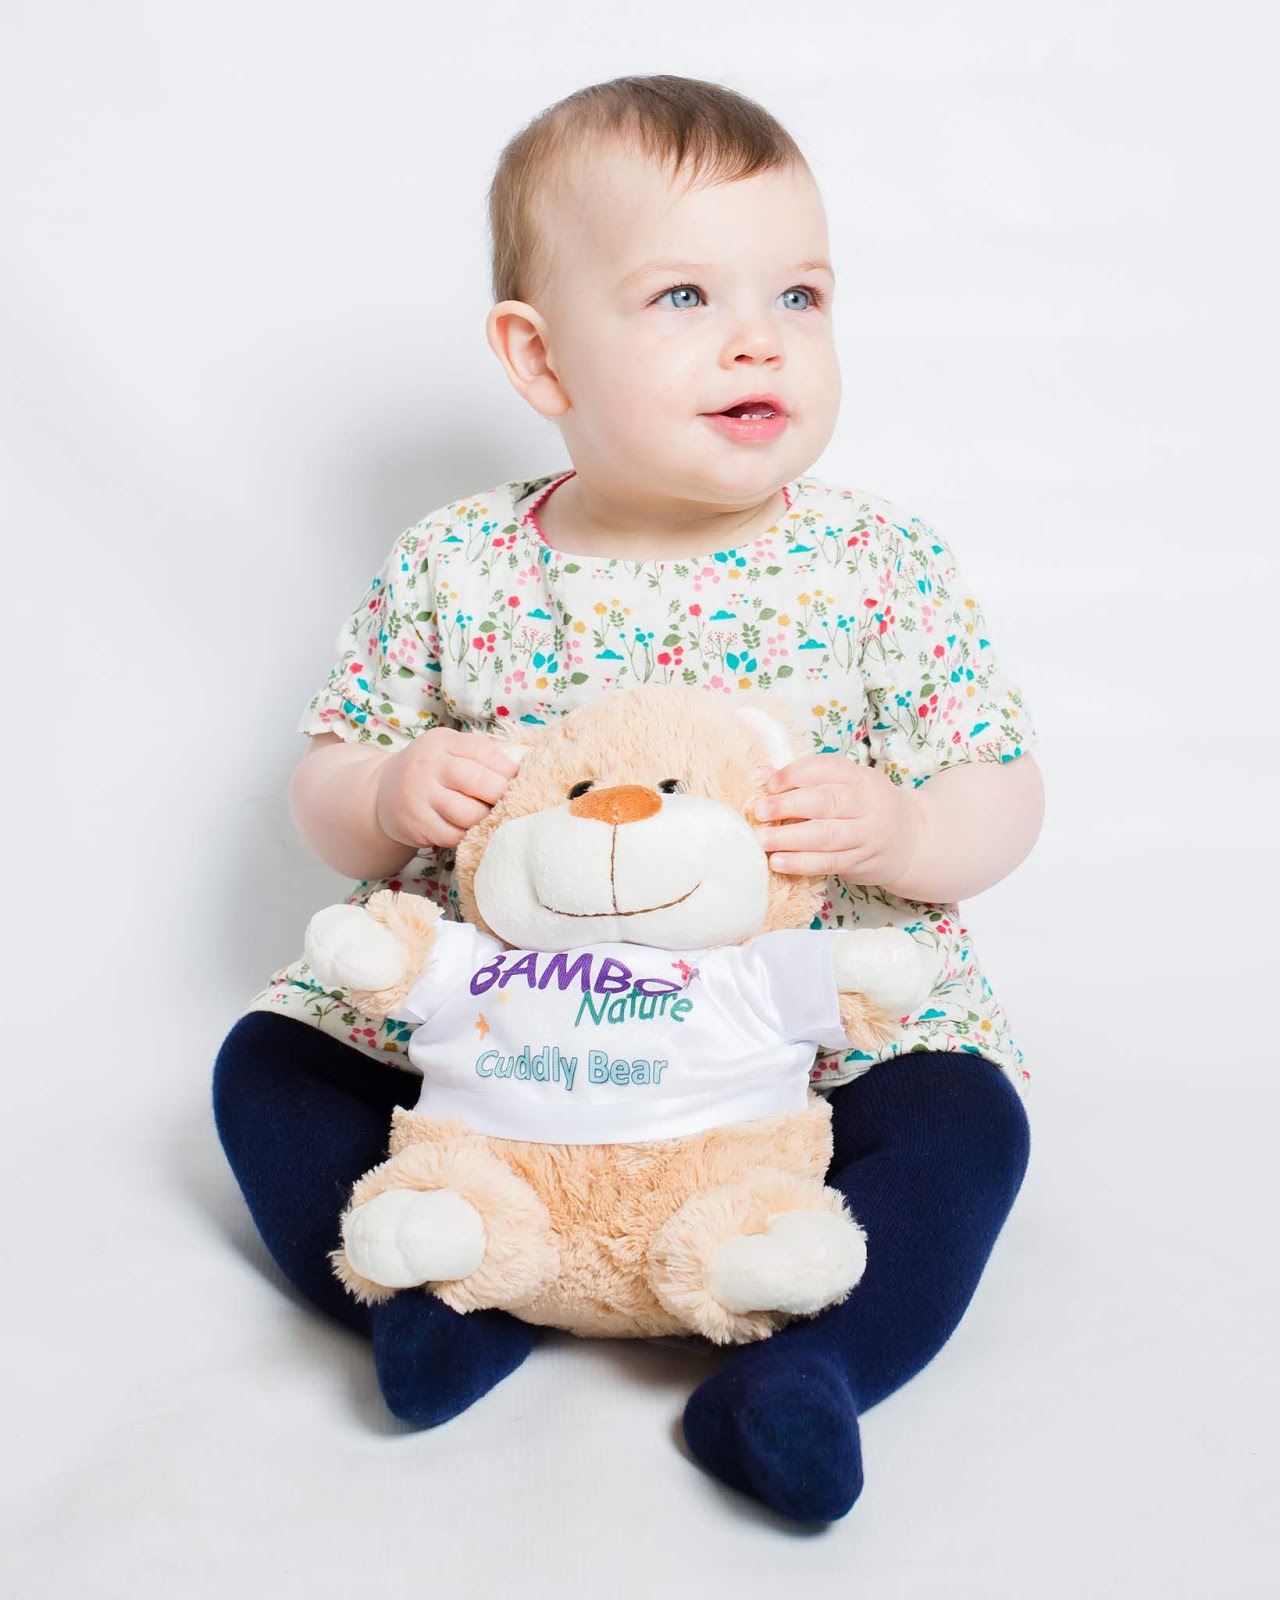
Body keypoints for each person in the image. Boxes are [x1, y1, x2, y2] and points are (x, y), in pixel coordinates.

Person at [213, 74, 1042, 1525]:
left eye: (799, 295)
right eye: (683, 297)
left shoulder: (878, 564)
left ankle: (811, 1370)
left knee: (965, 1121)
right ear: (540, 359)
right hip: (504, 1035)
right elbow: (326, 785)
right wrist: (388, 789)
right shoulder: (458, 563)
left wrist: (911, 829)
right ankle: (446, 1292)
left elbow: (1002, 784)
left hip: (791, 1039)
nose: (757, 337)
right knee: (268, 1069)